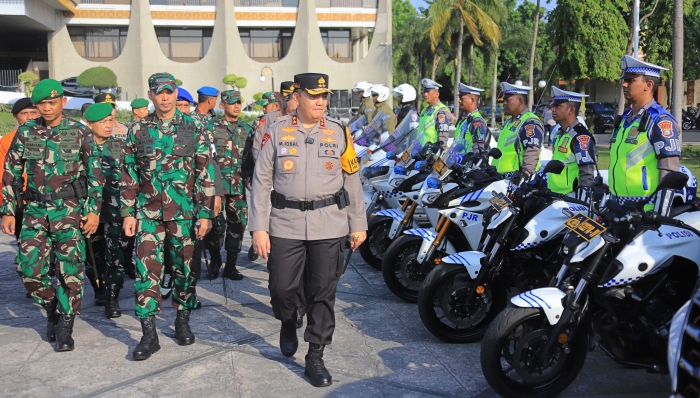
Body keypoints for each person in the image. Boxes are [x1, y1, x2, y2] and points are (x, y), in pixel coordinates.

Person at [250, 73, 367, 387]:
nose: (320, 102)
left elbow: (352, 181)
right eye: (314, 96)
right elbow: (261, 182)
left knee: (322, 293)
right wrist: (258, 227)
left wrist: (359, 224)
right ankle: (288, 320)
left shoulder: (339, 132)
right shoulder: (276, 131)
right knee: (281, 288)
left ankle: (315, 355)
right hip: (285, 222)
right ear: (297, 96)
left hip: (329, 223)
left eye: (324, 96)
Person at [0, 79, 104, 351]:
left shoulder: (80, 132)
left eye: (52, 102)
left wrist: (93, 211)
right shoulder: (26, 132)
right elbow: (10, 174)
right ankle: (52, 309)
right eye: (41, 103)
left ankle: (66, 325)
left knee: (70, 271)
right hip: (34, 211)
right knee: (28, 269)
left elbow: (95, 174)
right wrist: (8, 211)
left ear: (63, 102)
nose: (46, 108)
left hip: (70, 211)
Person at [121, 73, 216, 360]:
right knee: (146, 273)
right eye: (158, 92)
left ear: (176, 93)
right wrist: (127, 212)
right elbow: (129, 174)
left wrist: (206, 214)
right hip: (148, 215)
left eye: (169, 91)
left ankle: (182, 321)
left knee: (184, 271)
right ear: (150, 95)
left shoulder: (194, 126)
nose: (164, 97)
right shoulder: (137, 129)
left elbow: (205, 173)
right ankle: (149, 334)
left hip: (184, 215)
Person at [609, 55, 681, 214]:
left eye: (631, 80)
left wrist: (660, 214)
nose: (624, 84)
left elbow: (669, 171)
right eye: (624, 80)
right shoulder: (625, 119)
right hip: (616, 207)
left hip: (644, 211)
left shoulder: (660, 121)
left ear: (648, 85)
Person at [200, 90, 254, 280]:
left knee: (238, 225)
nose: (237, 106)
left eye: (239, 102)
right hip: (216, 187)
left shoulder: (247, 129)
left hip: (238, 186)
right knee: (216, 226)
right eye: (232, 103)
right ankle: (215, 261)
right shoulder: (210, 127)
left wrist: (248, 176)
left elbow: (250, 159)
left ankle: (231, 265)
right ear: (223, 105)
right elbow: (204, 158)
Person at [83, 102, 131, 318]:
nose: (109, 125)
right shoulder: (79, 148)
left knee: (116, 256)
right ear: (89, 123)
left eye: (111, 120)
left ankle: (113, 297)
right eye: (103, 122)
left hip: (115, 211)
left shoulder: (121, 147)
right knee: (93, 256)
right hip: (89, 213)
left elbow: (131, 179)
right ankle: (98, 289)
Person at [547, 87, 597, 194]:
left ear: (571, 110)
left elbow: (587, 174)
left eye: (558, 106)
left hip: (571, 199)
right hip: (555, 195)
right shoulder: (559, 133)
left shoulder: (581, 136)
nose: (553, 109)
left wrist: (584, 197)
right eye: (553, 105)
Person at [492, 82, 544, 179]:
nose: (504, 103)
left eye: (507, 99)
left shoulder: (529, 122)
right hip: (501, 179)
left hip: (516, 180)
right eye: (504, 99)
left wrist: (525, 177)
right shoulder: (509, 122)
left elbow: (532, 152)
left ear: (520, 101)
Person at [252, 89, 286, 160]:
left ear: (276, 105)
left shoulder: (287, 118)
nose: (263, 109)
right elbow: (257, 145)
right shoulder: (260, 120)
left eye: (265, 106)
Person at [454, 83, 488, 153]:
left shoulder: (477, 121)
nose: (459, 101)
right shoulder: (465, 119)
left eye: (462, 98)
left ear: (472, 100)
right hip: (456, 162)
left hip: (466, 163)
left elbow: (478, 150)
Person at [418, 78, 452, 145]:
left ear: (437, 94)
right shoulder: (424, 110)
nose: (425, 94)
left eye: (428, 92)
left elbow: (443, 137)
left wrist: (440, 152)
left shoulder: (441, 111)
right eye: (424, 91)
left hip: (432, 153)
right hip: (420, 152)